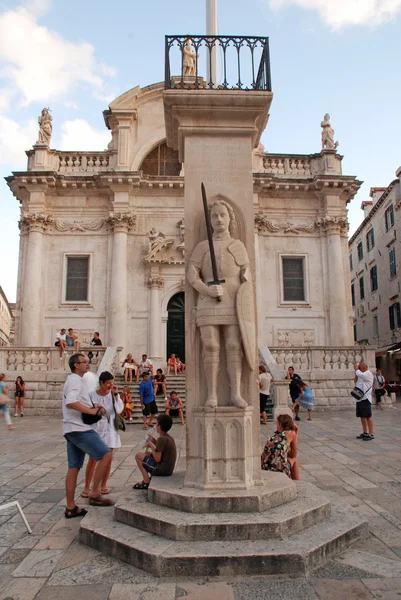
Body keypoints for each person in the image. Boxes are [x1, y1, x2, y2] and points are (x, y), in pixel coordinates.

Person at [187, 199, 253, 408]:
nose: (218, 219)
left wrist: (246, 277)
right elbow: (192, 274)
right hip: (208, 299)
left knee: (234, 345)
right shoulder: (202, 247)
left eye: (222, 215)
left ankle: (235, 393)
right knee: (211, 345)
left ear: (229, 218)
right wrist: (207, 289)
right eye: (214, 215)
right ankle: (212, 394)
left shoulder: (238, 245)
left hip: (233, 300)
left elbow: (246, 272)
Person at [62, 353, 114, 518]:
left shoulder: (75, 381)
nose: (87, 364)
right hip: (80, 429)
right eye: (84, 362)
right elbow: (70, 402)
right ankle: (95, 493)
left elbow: (77, 400)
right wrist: (92, 410)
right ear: (76, 365)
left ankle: (71, 507)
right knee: (106, 454)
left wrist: (93, 405)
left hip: (71, 429)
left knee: (74, 467)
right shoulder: (75, 380)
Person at [81, 371, 123, 498]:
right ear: (101, 383)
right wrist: (95, 408)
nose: (111, 385)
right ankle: (87, 486)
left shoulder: (113, 394)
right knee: (93, 459)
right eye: (108, 383)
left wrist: (116, 395)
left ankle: (103, 485)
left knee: (108, 459)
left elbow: (119, 410)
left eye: (112, 382)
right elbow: (86, 411)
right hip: (97, 428)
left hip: (110, 429)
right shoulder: (91, 395)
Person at [133, 413, 177, 489]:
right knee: (147, 453)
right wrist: (154, 442)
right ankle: (149, 478)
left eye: (156, 423)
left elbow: (157, 459)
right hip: (168, 469)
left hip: (162, 470)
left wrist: (152, 446)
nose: (155, 425)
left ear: (159, 426)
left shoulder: (161, 439)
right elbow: (162, 449)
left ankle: (146, 481)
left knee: (138, 455)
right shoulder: (168, 437)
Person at [261, 414, 299, 480]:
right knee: (294, 460)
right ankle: (297, 483)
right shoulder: (291, 433)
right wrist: (296, 433)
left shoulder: (273, 437)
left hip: (266, 467)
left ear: (280, 425)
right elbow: (293, 454)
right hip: (279, 469)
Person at [354, 362, 374, 441]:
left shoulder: (368, 374)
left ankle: (371, 433)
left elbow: (361, 375)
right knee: (362, 416)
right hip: (359, 398)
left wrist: (356, 369)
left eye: (360, 368)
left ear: (365, 367)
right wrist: (356, 372)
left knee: (368, 416)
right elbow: (355, 381)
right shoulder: (360, 374)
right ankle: (365, 432)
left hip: (366, 398)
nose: (359, 369)